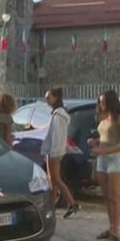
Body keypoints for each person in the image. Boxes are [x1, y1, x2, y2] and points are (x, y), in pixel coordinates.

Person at [89, 89, 120, 241]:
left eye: (104, 101)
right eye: (100, 102)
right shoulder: (104, 117)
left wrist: (105, 150)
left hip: (114, 159)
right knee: (106, 196)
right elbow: (106, 137)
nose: (101, 104)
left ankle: (115, 230)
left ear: (111, 101)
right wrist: (96, 142)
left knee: (114, 196)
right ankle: (111, 226)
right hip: (102, 159)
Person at [40, 87, 80, 219]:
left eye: (49, 97)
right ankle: (52, 206)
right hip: (53, 151)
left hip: (55, 151)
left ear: (56, 98)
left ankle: (72, 203)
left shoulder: (58, 116)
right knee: (53, 180)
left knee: (56, 179)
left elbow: (57, 136)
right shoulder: (57, 114)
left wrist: (53, 152)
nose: (47, 100)